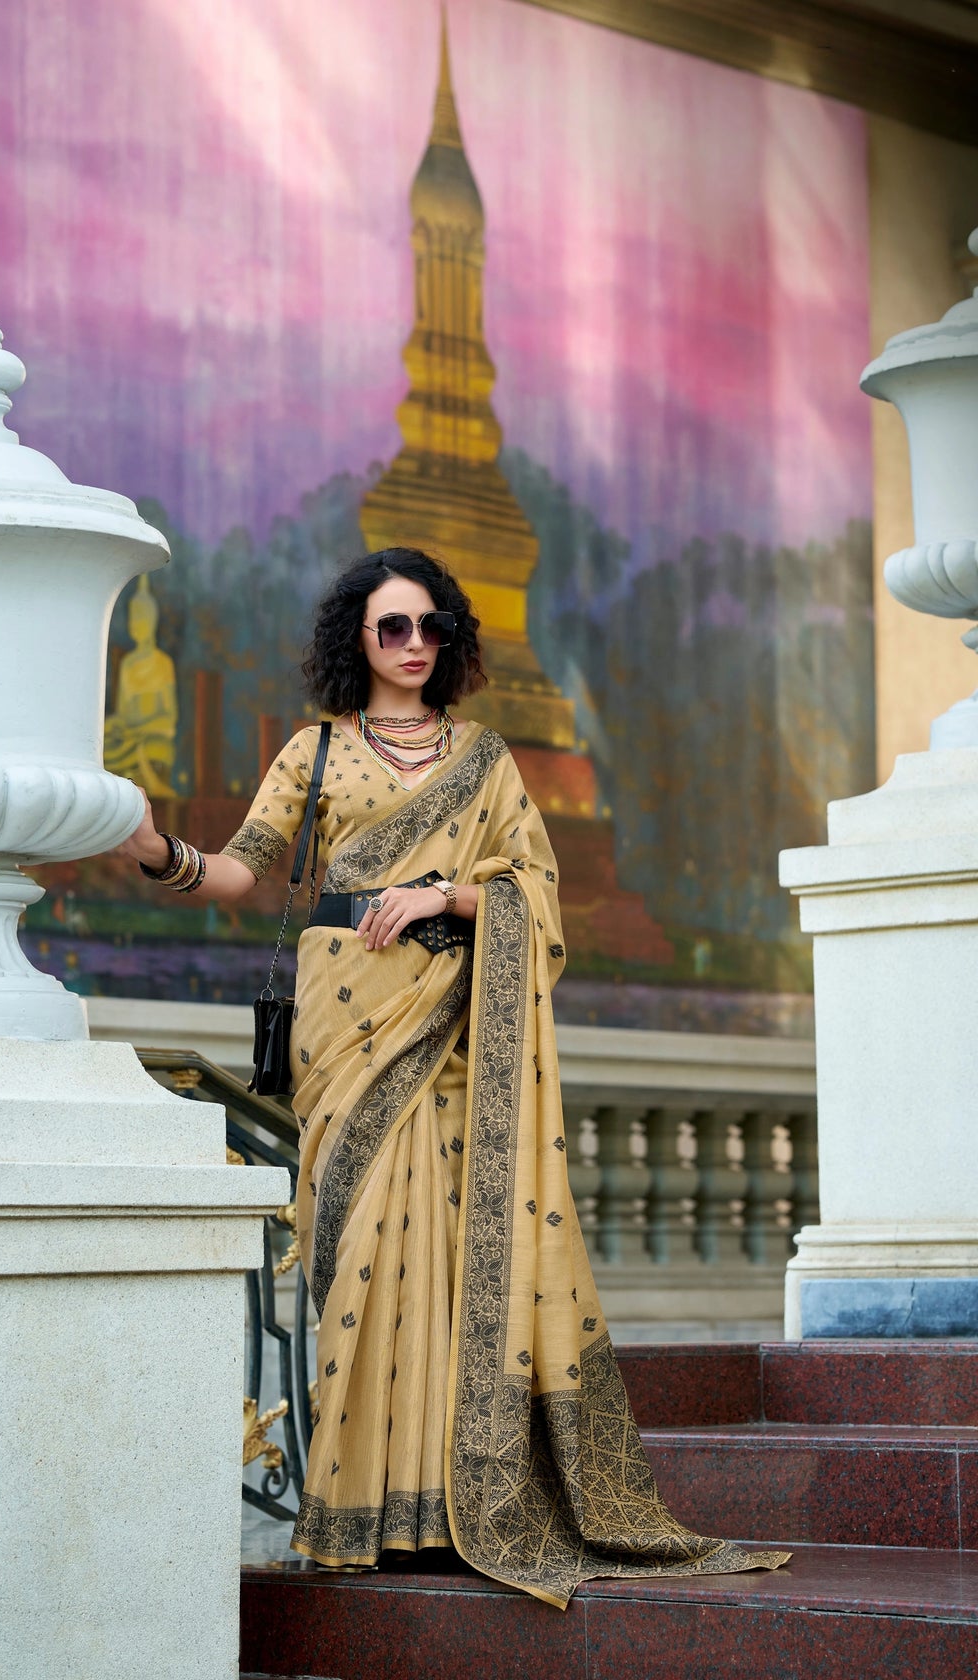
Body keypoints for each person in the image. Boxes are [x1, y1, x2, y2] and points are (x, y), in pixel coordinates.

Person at [120, 547, 790, 1608]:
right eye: (393, 627)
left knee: (447, 1254)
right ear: (359, 639)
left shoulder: (485, 757)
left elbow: (536, 889)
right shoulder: (315, 750)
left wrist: (448, 897)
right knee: (360, 1258)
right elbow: (246, 867)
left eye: (432, 625)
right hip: (346, 1030)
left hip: (453, 1027)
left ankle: (441, 1506)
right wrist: (160, 852)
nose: (415, 644)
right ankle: (350, 1514)